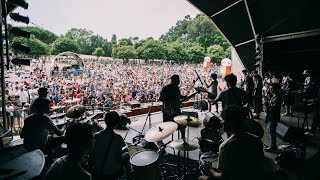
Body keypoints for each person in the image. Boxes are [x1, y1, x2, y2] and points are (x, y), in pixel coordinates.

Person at [199, 105, 265, 180]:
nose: (222, 122)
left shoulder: (226, 146)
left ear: (226, 123)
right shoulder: (256, 139)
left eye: (223, 120)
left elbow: (223, 177)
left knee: (201, 178)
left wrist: (210, 170)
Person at [90, 111, 130, 180]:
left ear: (105, 121)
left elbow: (92, 154)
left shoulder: (95, 136)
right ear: (117, 123)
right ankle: (129, 176)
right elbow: (119, 155)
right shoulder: (118, 138)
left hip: (97, 170)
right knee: (126, 154)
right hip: (112, 173)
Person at [159, 74, 186, 139]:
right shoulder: (166, 88)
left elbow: (178, 96)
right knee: (166, 126)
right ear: (173, 80)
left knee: (182, 124)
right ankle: (160, 140)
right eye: (178, 80)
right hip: (168, 110)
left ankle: (183, 138)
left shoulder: (177, 88)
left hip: (176, 109)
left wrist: (183, 97)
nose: (179, 81)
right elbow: (161, 99)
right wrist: (172, 102)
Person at [264, 83, 282, 152]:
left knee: (272, 131)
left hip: (273, 117)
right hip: (270, 116)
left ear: (277, 89)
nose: (271, 90)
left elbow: (274, 108)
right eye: (270, 88)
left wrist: (267, 105)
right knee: (269, 130)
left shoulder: (278, 98)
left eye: (272, 88)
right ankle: (272, 145)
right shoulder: (273, 96)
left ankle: (273, 146)